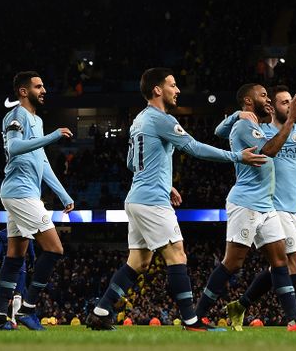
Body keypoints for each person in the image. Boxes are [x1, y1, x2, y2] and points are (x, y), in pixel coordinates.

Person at [86, 68, 267, 331]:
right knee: (177, 255)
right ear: (157, 90)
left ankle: (101, 312)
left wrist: (165, 183)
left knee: (139, 261)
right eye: (172, 85)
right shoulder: (161, 119)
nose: (178, 90)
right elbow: (193, 147)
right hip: (151, 201)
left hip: (137, 198)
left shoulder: (139, 120)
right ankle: (191, 321)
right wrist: (238, 156)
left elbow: (131, 162)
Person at [219, 63, 296, 330]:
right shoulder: (260, 132)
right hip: (270, 207)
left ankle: (240, 305)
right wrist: (236, 114)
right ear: (272, 107)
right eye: (284, 102)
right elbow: (223, 132)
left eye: (291, 101)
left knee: (282, 265)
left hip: (294, 207)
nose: (291, 105)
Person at [194, 83, 296, 331]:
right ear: (247, 100)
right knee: (233, 263)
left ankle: (295, 320)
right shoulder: (243, 125)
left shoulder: (254, 125)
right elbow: (270, 150)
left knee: (279, 262)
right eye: (263, 95)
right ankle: (196, 317)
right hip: (246, 202)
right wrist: (290, 121)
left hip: (267, 205)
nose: (268, 99)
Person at [0, 71, 75, 331]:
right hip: (20, 193)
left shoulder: (36, 121)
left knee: (16, 255)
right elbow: (14, 148)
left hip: (23, 193)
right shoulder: (16, 116)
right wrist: (54, 136)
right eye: (39, 86)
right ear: (23, 91)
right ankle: (28, 308)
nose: (44, 90)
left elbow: (42, 162)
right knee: (54, 249)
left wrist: (63, 194)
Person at [0, 228, 35, 320]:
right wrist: (32, 264)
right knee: (18, 294)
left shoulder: (2, 234)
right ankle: (15, 320)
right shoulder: (26, 231)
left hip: (6, 264)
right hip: (20, 264)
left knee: (4, 294)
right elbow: (31, 253)